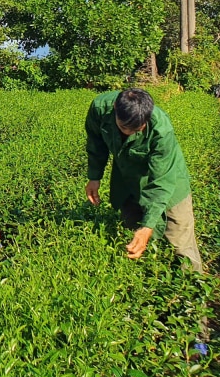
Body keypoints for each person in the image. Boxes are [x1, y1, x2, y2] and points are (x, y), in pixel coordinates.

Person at [85, 88, 204, 273]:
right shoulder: (100, 109)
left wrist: (148, 226)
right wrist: (94, 176)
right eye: (125, 128)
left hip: (169, 182)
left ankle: (194, 292)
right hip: (128, 181)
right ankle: (145, 283)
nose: (131, 133)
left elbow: (161, 182)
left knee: (180, 242)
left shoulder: (161, 130)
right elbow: (95, 142)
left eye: (137, 129)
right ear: (116, 107)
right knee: (132, 234)